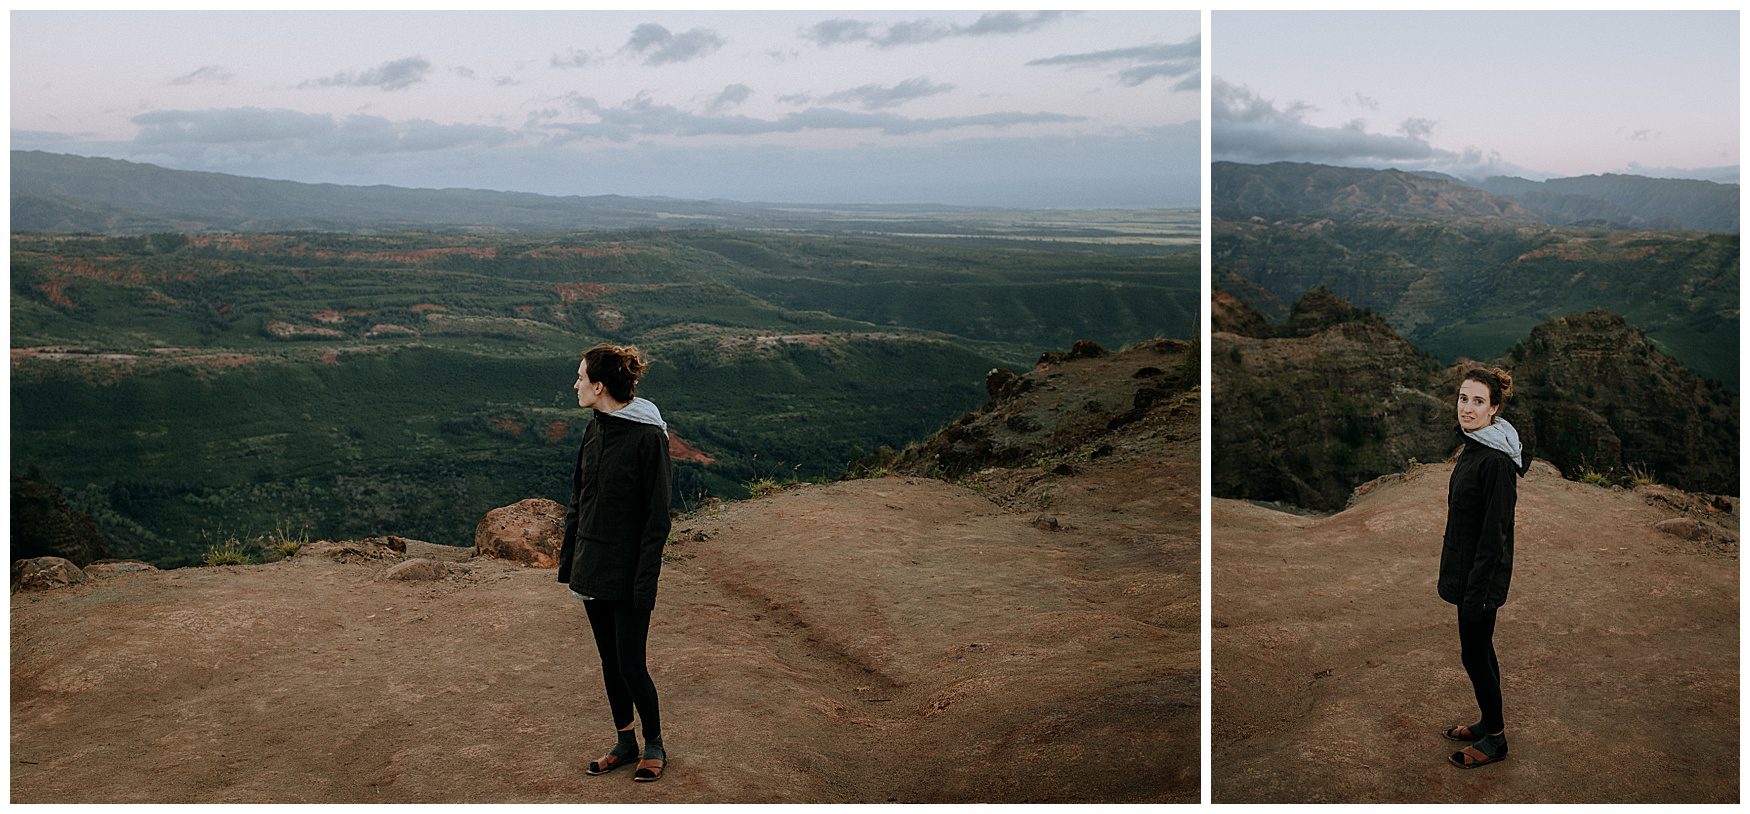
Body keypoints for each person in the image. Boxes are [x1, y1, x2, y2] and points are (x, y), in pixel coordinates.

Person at [556, 343, 673, 782]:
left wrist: (645, 583)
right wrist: (572, 560)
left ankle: (655, 742)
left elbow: (656, 519)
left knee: (630, 663)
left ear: (599, 385)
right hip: (592, 563)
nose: (575, 385)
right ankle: (625, 741)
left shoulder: (647, 437)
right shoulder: (596, 428)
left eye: (581, 377)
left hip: (628, 571)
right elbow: (579, 496)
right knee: (609, 660)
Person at [1438, 366, 1530, 769]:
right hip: (1467, 573)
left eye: (1478, 401)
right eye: (1463, 398)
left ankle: (1496, 739)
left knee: (1475, 654)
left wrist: (1476, 593)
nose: (1468, 408)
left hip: (1481, 579)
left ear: (1494, 408)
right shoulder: (1476, 445)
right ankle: (1487, 723)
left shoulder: (1494, 462)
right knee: (1478, 650)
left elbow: (1496, 537)